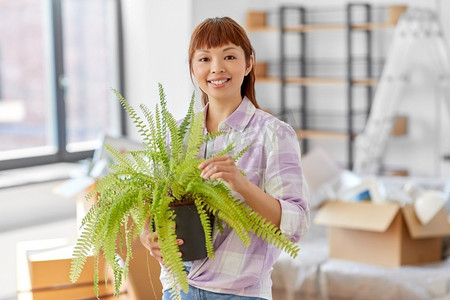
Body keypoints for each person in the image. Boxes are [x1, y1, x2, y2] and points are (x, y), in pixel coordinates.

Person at [140, 16, 310, 300]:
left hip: (239, 293)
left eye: (229, 56)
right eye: (204, 59)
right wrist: (148, 235)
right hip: (177, 287)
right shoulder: (176, 134)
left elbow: (297, 223)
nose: (216, 68)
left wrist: (240, 184)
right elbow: (153, 201)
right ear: (193, 69)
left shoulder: (275, 134)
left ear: (248, 64)